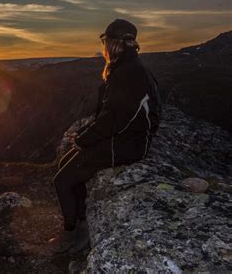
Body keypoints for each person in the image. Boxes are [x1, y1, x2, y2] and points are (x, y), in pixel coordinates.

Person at [47, 19, 162, 253]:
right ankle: (80, 222)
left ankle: (73, 235)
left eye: (105, 41)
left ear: (113, 43)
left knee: (62, 180)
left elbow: (115, 120)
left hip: (127, 143)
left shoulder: (127, 72)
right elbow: (115, 115)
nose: (103, 46)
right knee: (64, 165)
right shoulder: (131, 67)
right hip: (127, 138)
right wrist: (86, 134)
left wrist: (84, 139)